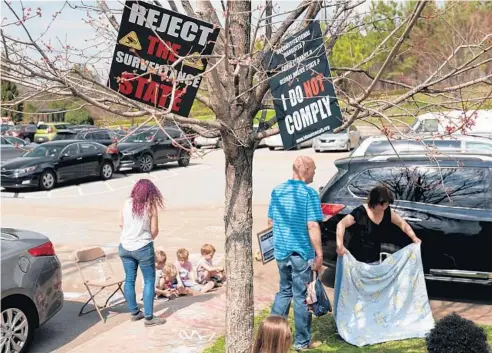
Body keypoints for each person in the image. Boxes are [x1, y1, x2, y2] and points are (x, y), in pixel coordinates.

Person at [267, 156, 323, 350]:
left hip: (281, 253)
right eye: (313, 169)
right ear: (304, 168)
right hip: (301, 254)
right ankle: (301, 341)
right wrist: (319, 255)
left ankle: (273, 337)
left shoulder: (278, 190)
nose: (315, 173)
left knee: (284, 292)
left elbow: (271, 222)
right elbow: (312, 225)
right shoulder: (309, 193)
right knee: (301, 297)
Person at [119, 179, 166, 326]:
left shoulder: (127, 203)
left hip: (124, 246)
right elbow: (154, 230)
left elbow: (121, 224)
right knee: (149, 280)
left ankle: (134, 312)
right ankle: (149, 317)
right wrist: (145, 238)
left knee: (129, 279)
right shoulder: (150, 206)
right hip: (143, 246)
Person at [336, 185, 421, 262]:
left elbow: (402, 224)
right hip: (356, 259)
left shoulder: (387, 212)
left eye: (387, 204)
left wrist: (414, 237)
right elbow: (341, 225)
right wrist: (340, 245)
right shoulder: (361, 212)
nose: (384, 207)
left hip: (374, 257)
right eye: (381, 205)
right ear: (373, 202)